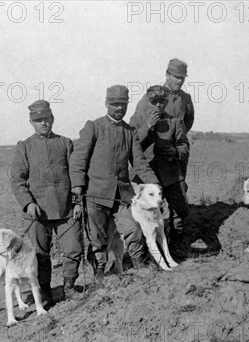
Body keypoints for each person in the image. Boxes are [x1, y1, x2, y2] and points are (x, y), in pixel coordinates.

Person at [69, 85, 158, 280]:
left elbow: (140, 164)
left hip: (123, 195)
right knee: (97, 238)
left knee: (134, 227)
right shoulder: (94, 127)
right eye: (115, 104)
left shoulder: (130, 132)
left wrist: (156, 186)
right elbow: (78, 161)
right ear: (106, 103)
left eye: (123, 104)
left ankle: (137, 267)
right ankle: (99, 275)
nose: (119, 108)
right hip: (95, 194)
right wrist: (77, 193)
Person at [10, 100, 83, 303]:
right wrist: (28, 203)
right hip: (38, 212)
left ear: (53, 119)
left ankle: (69, 286)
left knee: (73, 248)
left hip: (66, 209)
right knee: (40, 255)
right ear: (31, 122)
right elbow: (17, 180)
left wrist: (77, 202)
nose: (43, 123)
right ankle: (44, 292)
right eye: (38, 120)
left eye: (46, 119)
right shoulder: (24, 146)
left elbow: (76, 175)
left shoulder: (65, 143)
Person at [131, 85, 190, 258]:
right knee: (144, 213)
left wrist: (175, 152)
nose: (158, 105)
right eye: (154, 101)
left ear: (166, 102)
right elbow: (131, 145)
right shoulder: (137, 120)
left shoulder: (175, 121)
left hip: (170, 174)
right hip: (145, 175)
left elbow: (184, 146)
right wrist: (148, 126)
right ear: (147, 101)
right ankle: (146, 252)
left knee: (179, 210)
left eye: (162, 101)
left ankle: (175, 246)